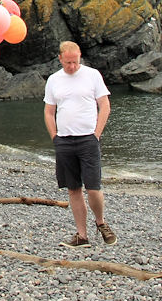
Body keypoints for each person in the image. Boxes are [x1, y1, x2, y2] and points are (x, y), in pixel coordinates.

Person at [44, 41, 117, 248]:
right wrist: (55, 137)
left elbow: (104, 105)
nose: (72, 66)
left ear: (79, 57)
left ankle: (101, 222)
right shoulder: (53, 80)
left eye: (75, 62)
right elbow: (49, 111)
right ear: (60, 59)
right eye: (68, 63)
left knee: (93, 188)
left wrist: (97, 133)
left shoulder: (93, 75)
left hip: (88, 139)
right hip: (65, 141)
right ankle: (81, 234)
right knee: (73, 189)